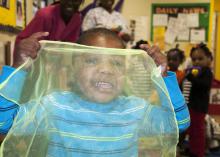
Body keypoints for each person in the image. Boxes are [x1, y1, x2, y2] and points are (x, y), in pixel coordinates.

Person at [0, 28, 189, 156]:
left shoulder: (134, 110)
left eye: (116, 62)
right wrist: (18, 68)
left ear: (125, 72)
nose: (106, 70)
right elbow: (3, 122)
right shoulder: (54, 107)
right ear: (73, 67)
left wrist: (162, 77)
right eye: (91, 60)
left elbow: (177, 122)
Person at [13, 0, 84, 67]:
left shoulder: (77, 19)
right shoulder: (44, 15)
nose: (70, 3)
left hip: (55, 64)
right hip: (32, 61)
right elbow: (22, 45)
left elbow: (69, 46)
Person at [182, 43, 213, 157]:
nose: (197, 62)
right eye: (194, 59)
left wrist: (191, 78)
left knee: (198, 131)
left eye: (200, 59)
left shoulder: (207, 72)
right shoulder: (198, 71)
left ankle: (198, 152)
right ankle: (192, 149)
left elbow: (203, 85)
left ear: (209, 59)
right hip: (193, 105)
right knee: (193, 130)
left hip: (199, 107)